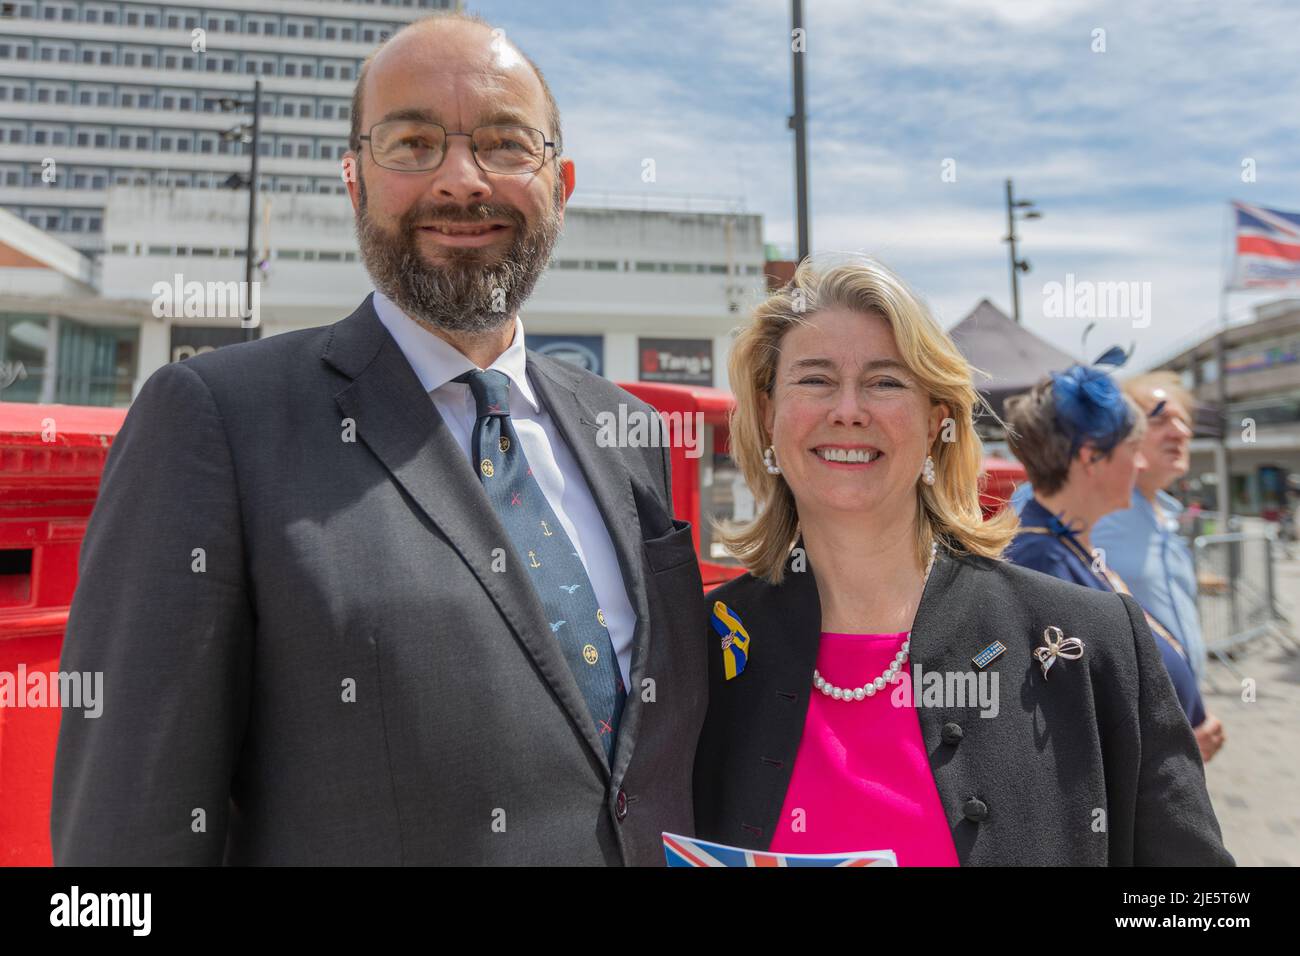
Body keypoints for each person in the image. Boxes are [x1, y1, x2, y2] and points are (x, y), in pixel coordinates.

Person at [52, 12, 707, 865]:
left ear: (562, 183)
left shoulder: (632, 433)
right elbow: (125, 832)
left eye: (508, 144)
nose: (462, 180)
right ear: (354, 180)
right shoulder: (214, 420)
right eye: (413, 143)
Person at [692, 254, 1231, 865]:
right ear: (767, 417)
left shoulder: (1092, 642)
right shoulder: (700, 648)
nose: (847, 409)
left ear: (936, 423)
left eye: (886, 381)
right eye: (814, 379)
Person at [1004, 371, 1221, 760]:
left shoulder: (1065, 545)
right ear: (1091, 458)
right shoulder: (1039, 558)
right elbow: (1049, 728)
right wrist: (1167, 748)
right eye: (1133, 446)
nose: (1139, 462)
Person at [1091, 373, 1224, 762]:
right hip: (1135, 747)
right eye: (1161, 419)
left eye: (1184, 421)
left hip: (1179, 733)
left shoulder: (1167, 513)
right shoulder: (1095, 510)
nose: (1180, 431)